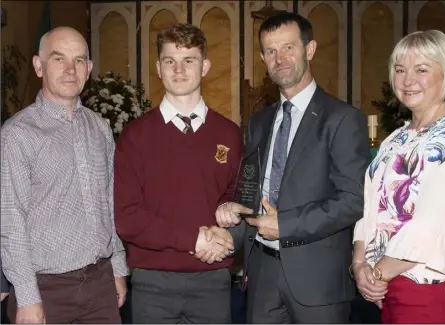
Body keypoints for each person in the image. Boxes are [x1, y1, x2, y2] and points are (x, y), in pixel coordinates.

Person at [213, 12, 371, 323]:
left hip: (318, 280)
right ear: (262, 57)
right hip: (262, 274)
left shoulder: (342, 119)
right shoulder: (259, 122)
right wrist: (236, 208)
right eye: (270, 51)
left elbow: (353, 200)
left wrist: (286, 224)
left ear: (309, 50)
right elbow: (255, 188)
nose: (279, 58)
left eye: (288, 47)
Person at [351, 30, 445, 324]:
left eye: (421, 69)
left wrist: (376, 273)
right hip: (383, 285)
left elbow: (434, 222)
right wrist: (360, 264)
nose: (407, 80)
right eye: (400, 70)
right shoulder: (395, 139)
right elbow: (370, 210)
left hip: (424, 287)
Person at [0, 27, 129, 324]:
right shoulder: (17, 135)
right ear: (38, 65)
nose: (71, 69)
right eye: (59, 59)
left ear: (89, 69)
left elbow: (110, 204)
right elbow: (10, 220)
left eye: (80, 60)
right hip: (46, 290)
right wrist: (28, 297)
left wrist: (118, 268)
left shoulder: (99, 127)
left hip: (99, 283)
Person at [114, 23, 240, 324]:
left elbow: (238, 198)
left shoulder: (230, 134)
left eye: (189, 60)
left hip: (212, 281)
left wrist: (228, 230)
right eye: (170, 61)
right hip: (153, 284)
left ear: (205, 66)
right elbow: (127, 217)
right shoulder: (135, 137)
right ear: (158, 68)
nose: (179, 70)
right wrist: (193, 239)